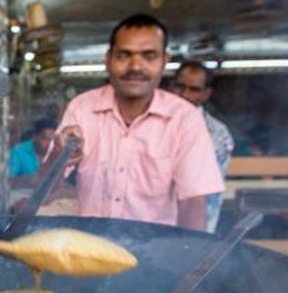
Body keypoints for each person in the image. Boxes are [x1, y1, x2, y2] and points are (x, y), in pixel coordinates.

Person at [50, 14, 224, 231]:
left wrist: (189, 260)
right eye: (124, 55)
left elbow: (192, 203)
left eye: (149, 56)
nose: (135, 66)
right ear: (108, 59)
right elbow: (47, 189)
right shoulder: (82, 108)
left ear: (164, 61)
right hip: (90, 250)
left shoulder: (185, 118)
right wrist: (61, 153)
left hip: (156, 255)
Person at [172, 60, 235, 232]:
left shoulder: (217, 134)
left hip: (196, 219)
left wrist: (201, 236)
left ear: (206, 93)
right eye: (180, 87)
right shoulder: (154, 124)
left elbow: (208, 195)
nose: (185, 94)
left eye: (194, 89)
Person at [9, 117, 57, 188]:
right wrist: (27, 180)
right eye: (45, 139)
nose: (49, 143)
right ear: (35, 136)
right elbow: (7, 182)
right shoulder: (17, 152)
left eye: (51, 140)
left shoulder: (56, 152)